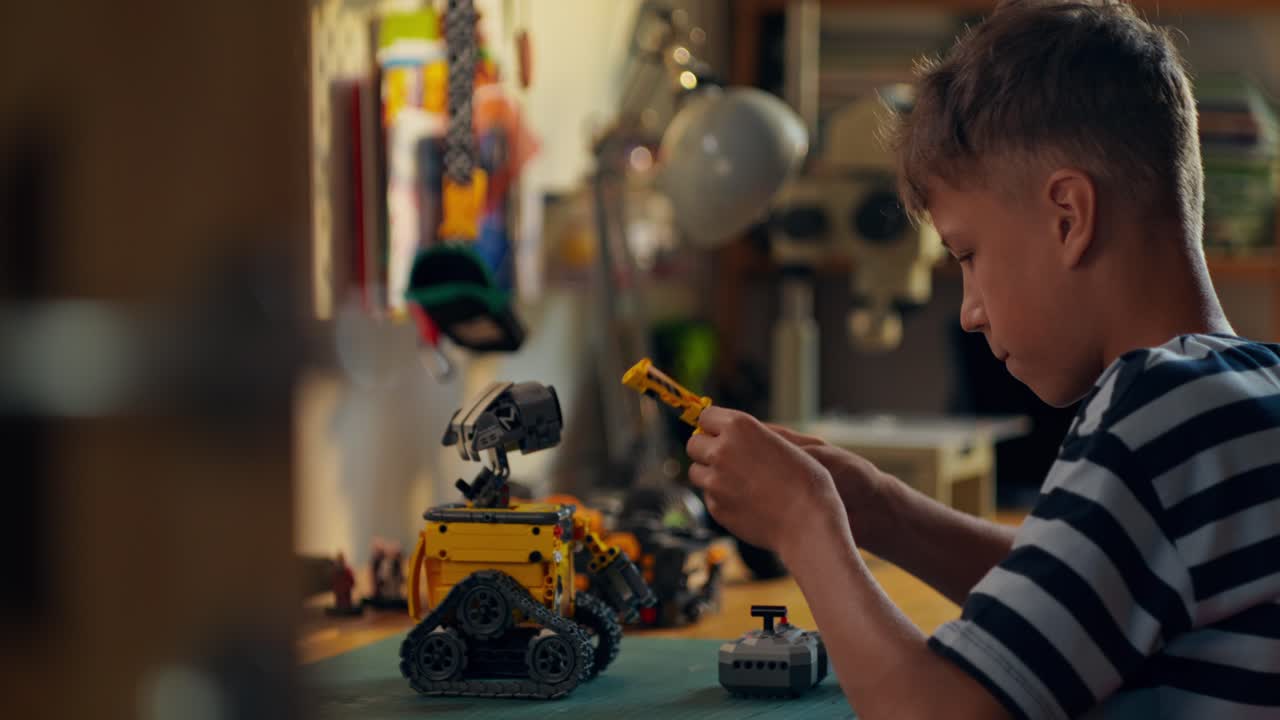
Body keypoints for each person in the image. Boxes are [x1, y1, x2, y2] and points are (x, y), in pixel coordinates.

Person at [687, 2, 1280, 718]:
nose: (969, 310)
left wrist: (804, 523)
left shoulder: (1153, 412)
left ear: (1068, 217)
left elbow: (945, 712)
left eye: (968, 255)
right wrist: (883, 513)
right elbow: (1078, 593)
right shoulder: (1241, 396)